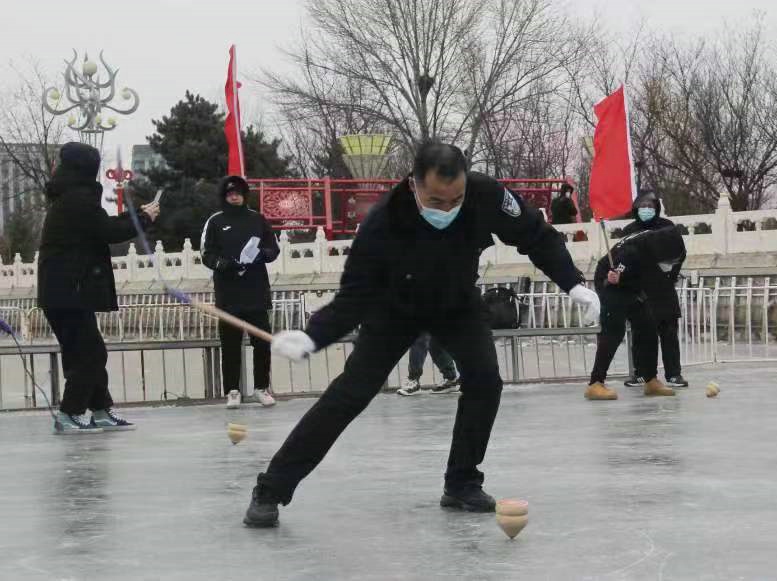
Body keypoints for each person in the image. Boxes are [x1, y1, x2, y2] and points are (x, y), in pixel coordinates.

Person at [243, 142, 600, 527]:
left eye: (455, 200)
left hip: (457, 303)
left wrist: (572, 283)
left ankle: (462, 482)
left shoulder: (486, 195)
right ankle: (271, 489)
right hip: (394, 308)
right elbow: (356, 294)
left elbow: (536, 236)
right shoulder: (383, 220)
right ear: (413, 185)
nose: (446, 209)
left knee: (485, 381)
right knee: (351, 393)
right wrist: (314, 336)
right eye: (435, 201)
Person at [38, 142, 160, 434]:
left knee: (85, 351)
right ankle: (70, 413)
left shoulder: (71, 197)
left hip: (65, 292)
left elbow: (100, 225)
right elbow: (108, 231)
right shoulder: (77, 199)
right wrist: (144, 219)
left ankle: (101, 410)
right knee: (89, 354)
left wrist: (138, 215)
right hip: (70, 291)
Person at [201, 176, 280, 409]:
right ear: (224, 196)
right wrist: (223, 264)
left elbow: (273, 248)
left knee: (262, 342)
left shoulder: (258, 219)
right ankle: (232, 391)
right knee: (230, 345)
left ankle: (261, 388)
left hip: (256, 292)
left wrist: (261, 255)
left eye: (238, 193)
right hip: (228, 295)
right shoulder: (215, 221)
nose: (234, 197)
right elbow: (206, 253)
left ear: (244, 195)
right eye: (230, 194)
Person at [585, 226, 687, 401]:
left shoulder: (669, 244)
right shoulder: (631, 252)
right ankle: (595, 383)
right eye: (669, 261)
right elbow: (615, 274)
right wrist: (615, 277)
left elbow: (671, 265)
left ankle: (650, 380)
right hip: (611, 283)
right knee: (614, 332)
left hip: (632, 286)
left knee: (648, 328)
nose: (670, 264)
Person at [620, 192, 688, 389]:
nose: (646, 209)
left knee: (669, 333)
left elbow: (680, 252)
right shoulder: (629, 230)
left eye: (650, 206)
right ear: (636, 209)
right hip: (640, 289)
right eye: (642, 206)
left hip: (663, 288)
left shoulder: (667, 227)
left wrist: (672, 273)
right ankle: (642, 374)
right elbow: (622, 256)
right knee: (641, 335)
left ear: (656, 208)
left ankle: (674, 374)